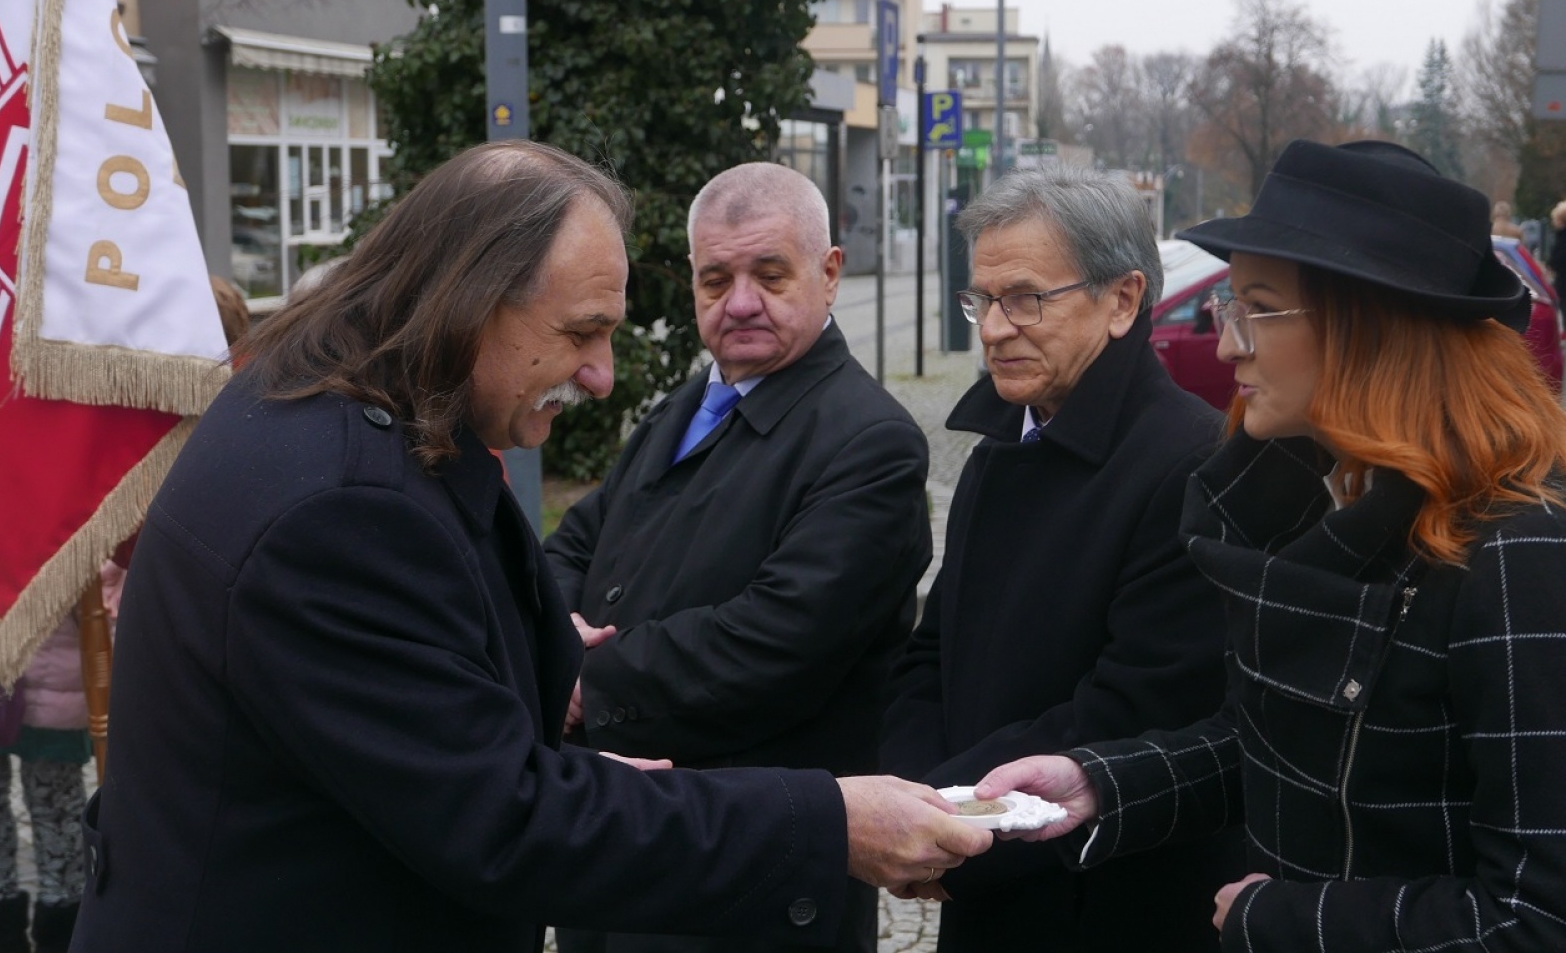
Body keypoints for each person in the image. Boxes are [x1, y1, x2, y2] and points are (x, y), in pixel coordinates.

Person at [69, 142, 991, 953]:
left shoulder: (324, 401)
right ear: (470, 301)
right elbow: (498, 819)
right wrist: (826, 824)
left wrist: (558, 728)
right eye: (580, 334)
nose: (600, 374)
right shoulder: (342, 500)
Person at [976, 139, 1566, 952]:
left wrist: (1283, 920)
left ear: (1372, 325)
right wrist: (1097, 786)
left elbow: (1537, 917)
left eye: (1257, 307)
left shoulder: (1515, 549)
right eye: (1230, 309)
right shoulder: (1312, 491)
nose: (1226, 346)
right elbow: (1275, 744)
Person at [544, 162, 931, 953]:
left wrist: (585, 681)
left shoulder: (871, 443)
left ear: (829, 274)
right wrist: (549, 633)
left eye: (769, 273)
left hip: (752, 887)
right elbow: (574, 544)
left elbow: (775, 639)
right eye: (715, 279)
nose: (740, 302)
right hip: (625, 858)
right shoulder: (685, 406)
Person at [879, 163, 1240, 952]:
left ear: (1122, 300)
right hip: (990, 887)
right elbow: (931, 655)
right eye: (982, 299)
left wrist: (943, 822)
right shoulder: (1001, 447)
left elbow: (1131, 711)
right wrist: (910, 800)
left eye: (1026, 299)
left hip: (1108, 903)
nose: (994, 328)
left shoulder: (1190, 465)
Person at [0, 619, 89, 953]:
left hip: (13, 677)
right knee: (54, 812)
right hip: (47, 677)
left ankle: (3, 935)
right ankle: (44, 932)